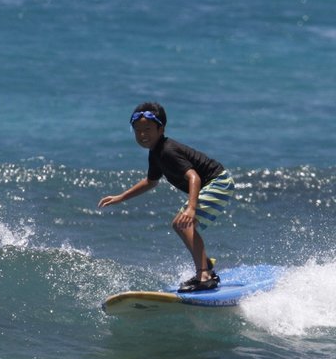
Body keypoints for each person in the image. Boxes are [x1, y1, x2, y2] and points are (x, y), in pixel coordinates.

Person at [98, 102, 235, 292]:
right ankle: (205, 266)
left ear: (160, 128)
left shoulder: (168, 151)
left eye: (147, 129)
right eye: (138, 131)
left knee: (184, 223)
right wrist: (121, 197)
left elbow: (193, 177)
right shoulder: (155, 153)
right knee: (179, 224)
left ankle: (204, 275)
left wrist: (191, 208)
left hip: (218, 182)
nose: (143, 135)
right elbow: (151, 181)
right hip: (213, 183)